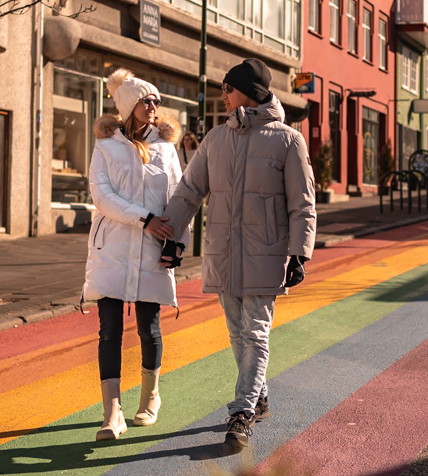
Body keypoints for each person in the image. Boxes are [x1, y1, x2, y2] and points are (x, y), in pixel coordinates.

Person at [163, 59, 316, 451]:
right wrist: (171, 236)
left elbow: (303, 203)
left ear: (250, 91)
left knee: (255, 333)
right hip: (223, 252)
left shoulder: (287, 140)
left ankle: (242, 412)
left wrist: (300, 253)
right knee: (236, 333)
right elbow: (189, 191)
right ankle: (259, 396)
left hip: (267, 252)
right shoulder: (216, 139)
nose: (223, 95)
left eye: (228, 88)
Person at [81, 69, 184, 441]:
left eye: (156, 100)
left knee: (148, 328)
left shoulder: (167, 149)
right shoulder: (105, 148)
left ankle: (149, 397)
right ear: (129, 106)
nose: (154, 106)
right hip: (111, 251)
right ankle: (112, 414)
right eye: (146, 100)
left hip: (152, 252)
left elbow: (179, 200)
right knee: (108, 331)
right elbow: (102, 198)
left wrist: (178, 242)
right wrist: (145, 220)